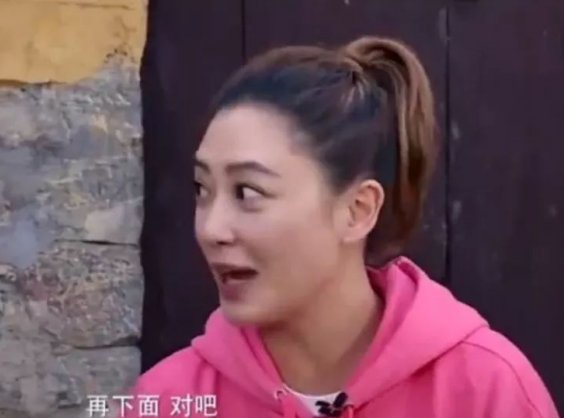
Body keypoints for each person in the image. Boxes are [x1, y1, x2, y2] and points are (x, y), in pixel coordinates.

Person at [116, 36, 559, 417]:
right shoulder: (168, 398)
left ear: (358, 210)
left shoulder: (484, 389)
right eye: (202, 190)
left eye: (247, 192)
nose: (212, 228)